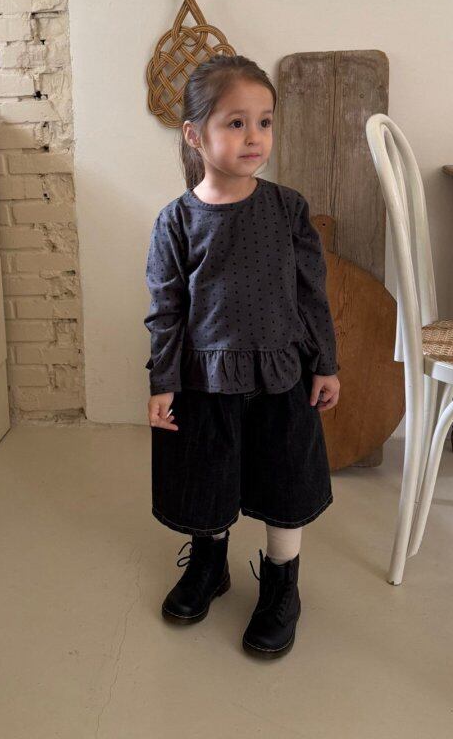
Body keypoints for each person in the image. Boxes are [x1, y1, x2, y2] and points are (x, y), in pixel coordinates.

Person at [144, 54, 340, 659]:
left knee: (285, 479)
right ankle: (210, 564)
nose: (255, 137)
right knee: (208, 475)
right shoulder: (177, 220)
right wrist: (163, 381)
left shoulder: (287, 208)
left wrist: (325, 363)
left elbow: (311, 293)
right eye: (236, 123)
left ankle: (282, 584)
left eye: (264, 122)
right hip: (205, 379)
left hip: (282, 374)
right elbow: (166, 309)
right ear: (194, 135)